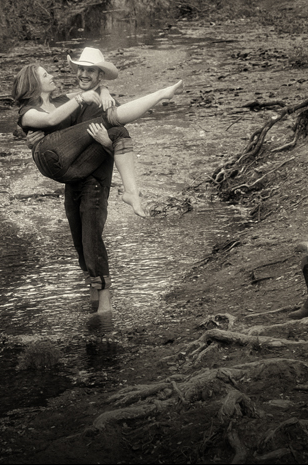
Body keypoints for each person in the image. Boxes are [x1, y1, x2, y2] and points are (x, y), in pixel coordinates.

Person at [13, 47, 182, 330]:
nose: (81, 74)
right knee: (81, 246)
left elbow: (112, 140)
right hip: (71, 177)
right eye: (80, 69)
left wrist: (104, 138)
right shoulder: (67, 101)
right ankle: (94, 299)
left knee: (92, 239)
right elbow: (45, 123)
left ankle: (104, 309)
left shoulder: (99, 101)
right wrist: (28, 137)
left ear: (100, 75)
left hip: (94, 180)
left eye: (90, 71)